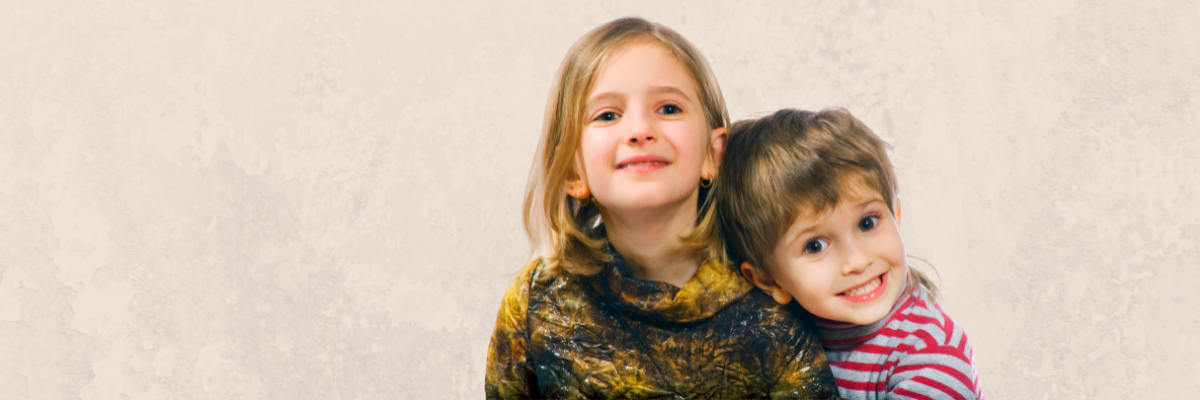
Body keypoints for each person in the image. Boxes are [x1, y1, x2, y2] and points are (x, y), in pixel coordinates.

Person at [485, 18, 838, 399]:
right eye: (607, 115)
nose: (640, 129)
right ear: (572, 171)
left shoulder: (774, 292)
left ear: (711, 153)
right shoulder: (536, 303)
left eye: (668, 108)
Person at [715, 107, 984, 399]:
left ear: (896, 214)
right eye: (815, 245)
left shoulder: (933, 360)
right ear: (769, 280)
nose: (857, 261)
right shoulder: (780, 330)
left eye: (867, 223)